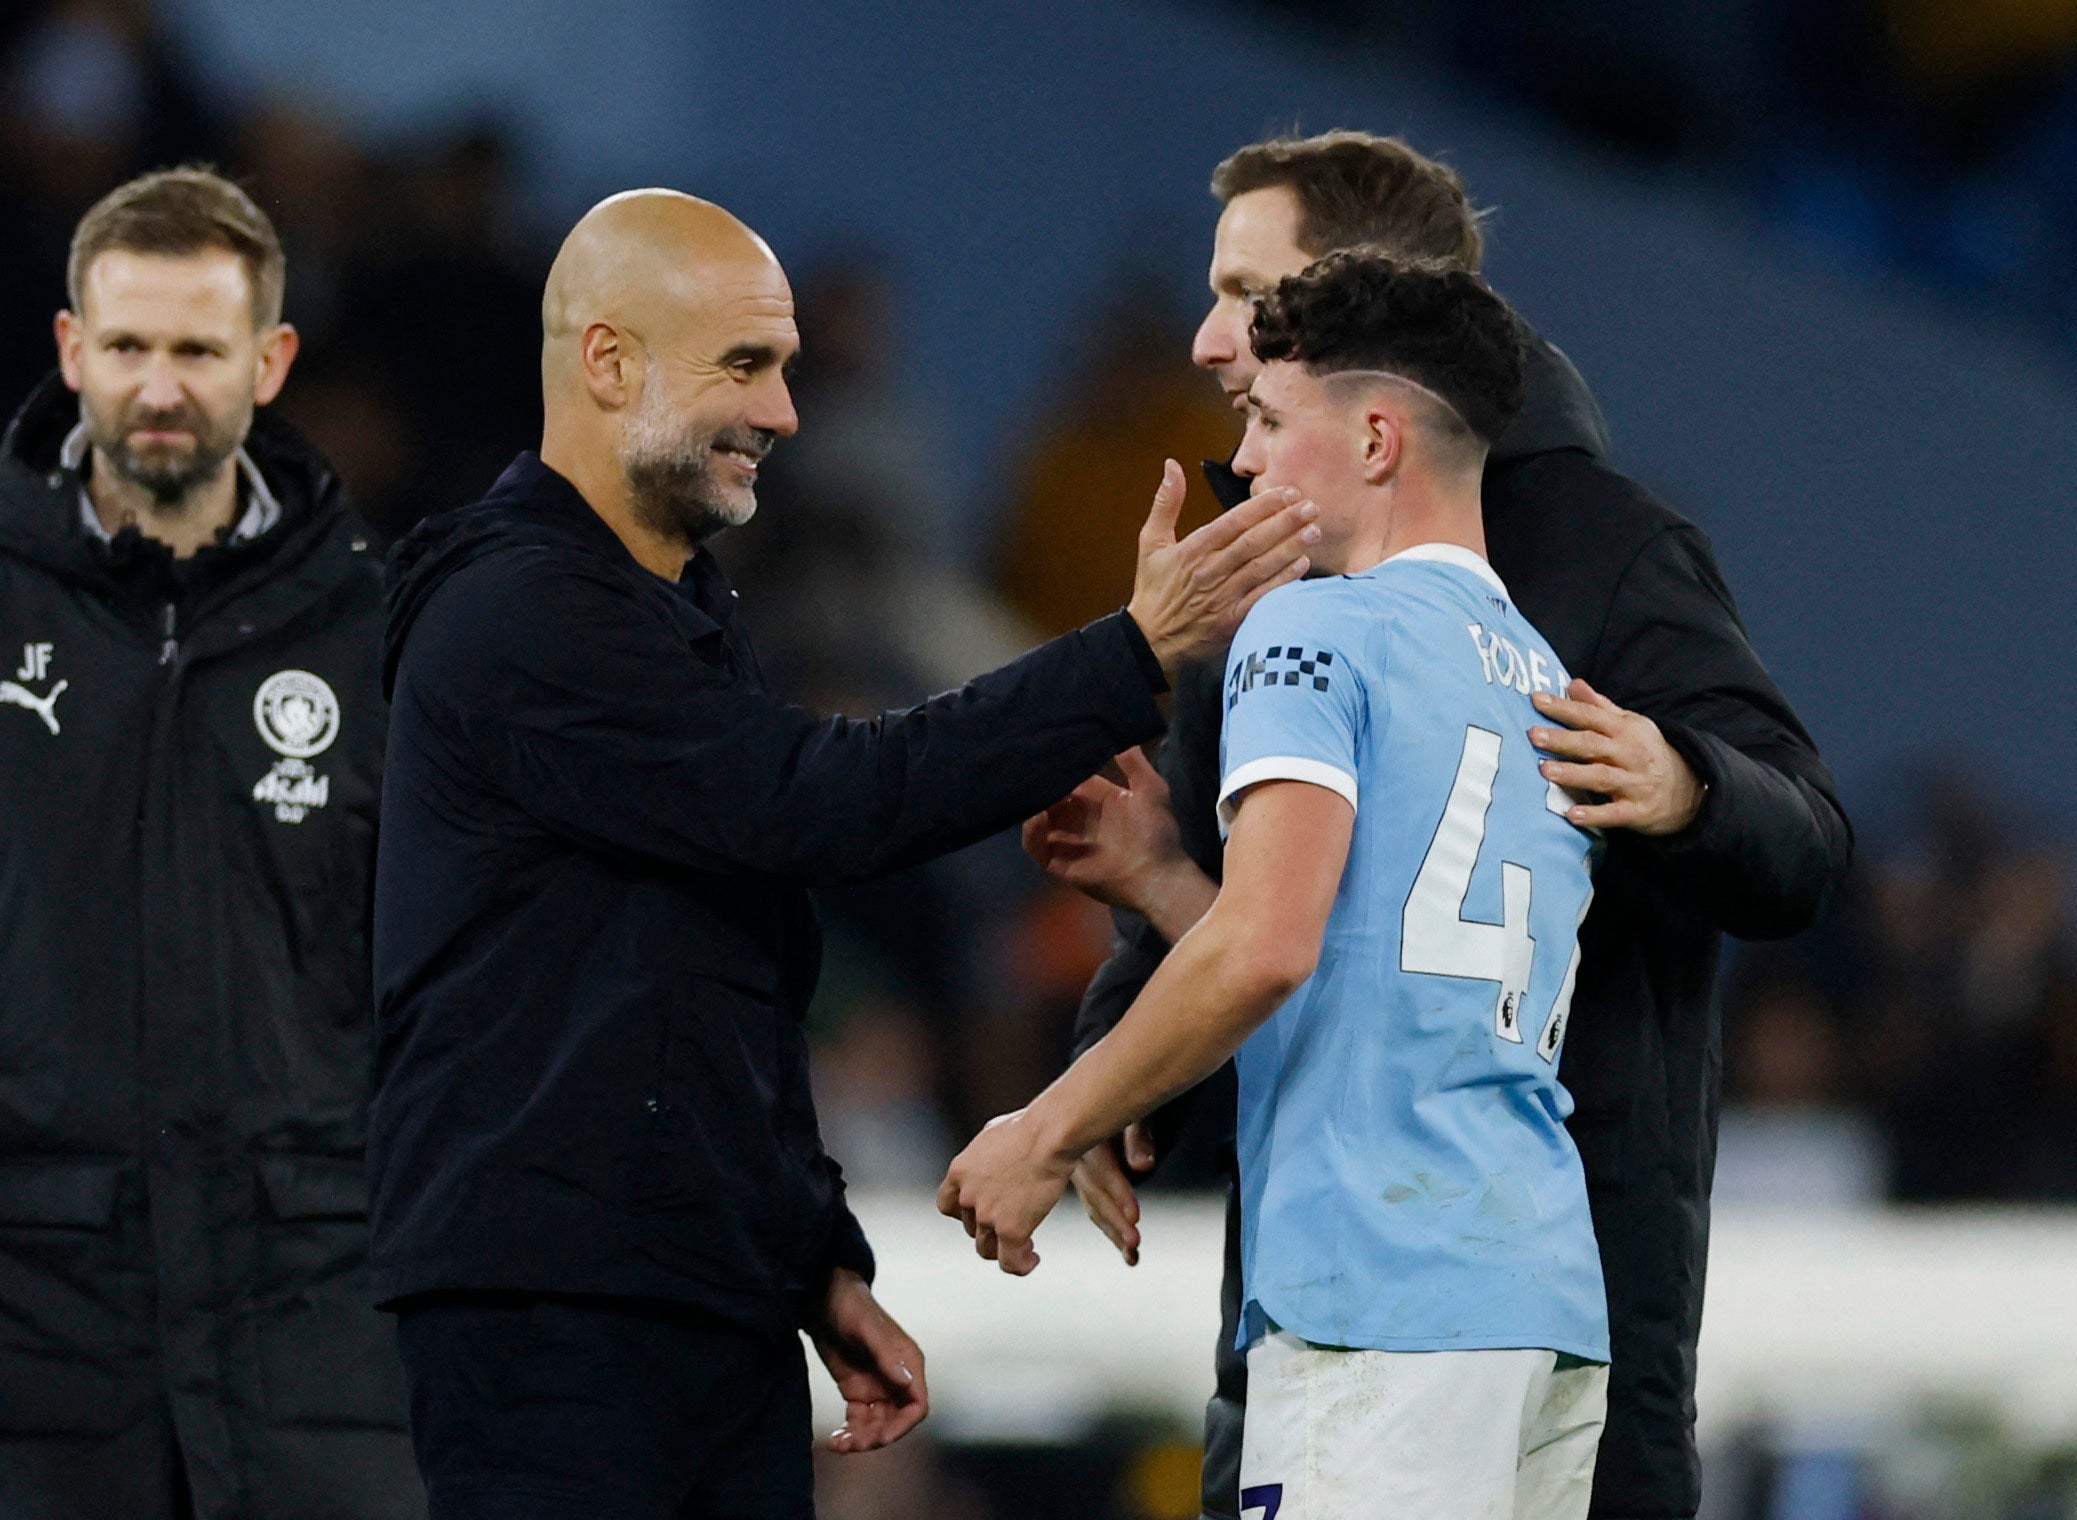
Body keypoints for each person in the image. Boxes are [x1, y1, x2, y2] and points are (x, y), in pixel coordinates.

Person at [368, 189, 1321, 1520]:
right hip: (559, 1320)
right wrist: (1131, 653)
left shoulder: (669, 617)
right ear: (607, 360)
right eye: (746, 365)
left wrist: (804, 1257)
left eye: (788, 371)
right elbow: (825, 801)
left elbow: (700, 977)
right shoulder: (515, 609)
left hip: (681, 1300)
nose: (784, 413)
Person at [1052, 131, 1852, 1520]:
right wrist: (1127, 1082)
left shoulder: (1603, 550)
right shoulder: (1274, 556)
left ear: (1372, 317)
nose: (1206, 339)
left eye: (1249, 292)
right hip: (1374, 1269)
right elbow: (1259, 897)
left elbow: (1809, 845)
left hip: (1537, 1270)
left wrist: (1687, 783)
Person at [941, 252, 1611, 1518]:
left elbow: (1268, 948)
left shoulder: (1313, 629)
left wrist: (1047, 1127)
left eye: (1262, 419)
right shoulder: (1545, 679)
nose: (1240, 462)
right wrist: (1157, 875)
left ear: (1373, 435)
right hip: (1535, 1298)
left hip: (1378, 1291)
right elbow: (1375, 979)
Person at [0, 169, 420, 1517]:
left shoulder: (382, 631)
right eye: (126, 347)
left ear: (272, 360)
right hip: (36, 1330)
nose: (159, 386)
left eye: (198, 348)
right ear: (72, 352)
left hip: (319, 1325)